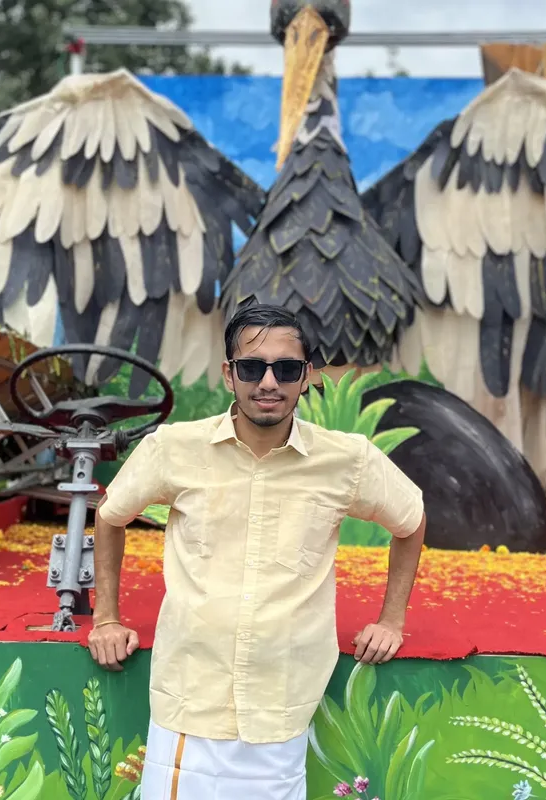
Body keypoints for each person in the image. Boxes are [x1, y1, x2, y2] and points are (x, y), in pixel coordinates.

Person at [89, 304, 427, 800]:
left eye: (286, 369)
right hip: (188, 703)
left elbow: (411, 519)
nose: (269, 382)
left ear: (306, 377)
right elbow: (110, 514)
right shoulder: (174, 448)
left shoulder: (346, 459)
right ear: (230, 374)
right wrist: (105, 618)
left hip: (282, 709)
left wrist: (391, 620)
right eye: (252, 367)